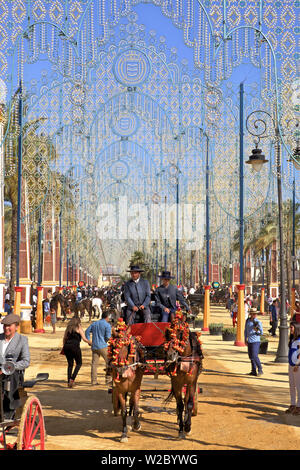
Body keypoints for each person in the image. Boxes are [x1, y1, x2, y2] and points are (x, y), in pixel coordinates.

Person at [0, 314, 30, 419]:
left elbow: (26, 361)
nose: (6, 328)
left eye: (9, 326)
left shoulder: (22, 340)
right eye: (4, 326)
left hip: (13, 373)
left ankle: (9, 411)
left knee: (10, 377)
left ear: (16, 326)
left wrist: (10, 367)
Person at [62, 317, 91, 388]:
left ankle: (69, 380)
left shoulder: (68, 328)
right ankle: (72, 379)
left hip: (67, 347)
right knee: (79, 363)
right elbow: (84, 339)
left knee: (70, 364)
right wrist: (90, 342)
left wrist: (64, 347)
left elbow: (64, 338)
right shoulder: (78, 328)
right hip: (75, 347)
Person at [85, 311, 112, 385]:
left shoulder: (94, 323)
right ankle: (108, 380)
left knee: (94, 364)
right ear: (107, 317)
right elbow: (108, 337)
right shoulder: (107, 325)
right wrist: (105, 341)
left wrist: (89, 341)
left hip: (94, 346)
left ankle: (93, 381)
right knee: (109, 362)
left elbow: (87, 332)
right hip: (103, 346)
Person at [285, 322, 300, 415]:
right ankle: (293, 404)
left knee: (298, 386)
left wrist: (297, 364)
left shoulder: (299, 340)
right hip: (291, 365)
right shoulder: (292, 339)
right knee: (291, 385)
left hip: (297, 366)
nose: (290, 329)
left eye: (292, 327)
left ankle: (299, 406)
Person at [244, 308, 263, 377]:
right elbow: (245, 330)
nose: (254, 315)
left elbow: (261, 332)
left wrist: (256, 331)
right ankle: (253, 370)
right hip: (249, 341)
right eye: (253, 314)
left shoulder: (258, 322)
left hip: (256, 341)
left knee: (255, 355)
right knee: (251, 356)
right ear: (250, 314)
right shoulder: (247, 321)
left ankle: (260, 369)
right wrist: (245, 339)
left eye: (255, 314)